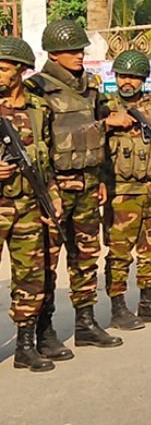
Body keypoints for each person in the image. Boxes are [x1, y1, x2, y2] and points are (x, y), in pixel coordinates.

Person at [30, 20, 123, 359]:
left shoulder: (91, 87)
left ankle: (85, 323)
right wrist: (47, 189)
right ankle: (44, 330)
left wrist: (100, 180)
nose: (79, 56)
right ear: (54, 53)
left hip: (86, 182)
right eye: (72, 51)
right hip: (55, 187)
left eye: (81, 50)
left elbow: (103, 138)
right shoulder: (36, 89)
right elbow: (36, 143)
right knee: (46, 262)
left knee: (86, 257)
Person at [102, 50, 151, 329]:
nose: (128, 82)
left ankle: (147, 302)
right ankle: (118, 307)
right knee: (120, 251)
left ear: (143, 80)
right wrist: (107, 122)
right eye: (123, 76)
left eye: (134, 77)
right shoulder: (103, 106)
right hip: (122, 190)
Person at [0, 37, 62, 372]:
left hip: (28, 202)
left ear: (21, 72)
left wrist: (52, 196)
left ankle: (25, 345)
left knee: (31, 277)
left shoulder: (38, 109)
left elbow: (46, 159)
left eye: (5, 68)